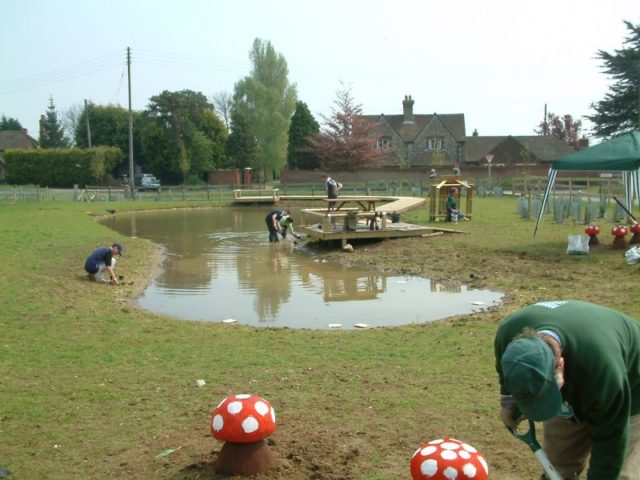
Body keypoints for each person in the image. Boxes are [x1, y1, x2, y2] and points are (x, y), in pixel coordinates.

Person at [494, 300, 640, 479]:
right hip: (585, 366)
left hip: (633, 383)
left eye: (549, 393)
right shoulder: (509, 332)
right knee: (557, 467)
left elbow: (611, 445)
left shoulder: (603, 368)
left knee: (621, 474)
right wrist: (508, 402)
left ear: (560, 364)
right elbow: (505, 373)